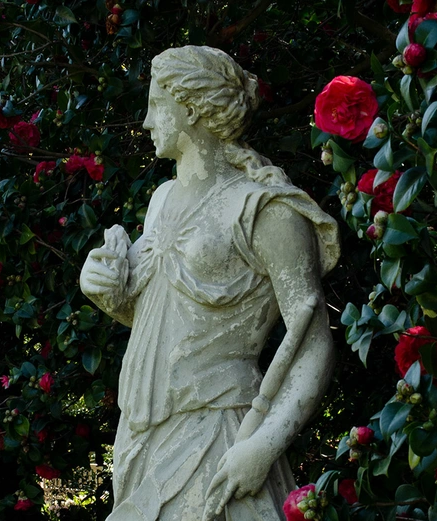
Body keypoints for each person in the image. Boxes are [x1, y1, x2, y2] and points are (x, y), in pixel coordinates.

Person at [80, 45, 339, 521]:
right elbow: (160, 315)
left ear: (191, 108)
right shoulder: (160, 201)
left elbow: (313, 343)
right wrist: (107, 290)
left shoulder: (266, 210)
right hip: (142, 435)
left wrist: (263, 446)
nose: (146, 121)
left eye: (157, 104)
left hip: (222, 434)